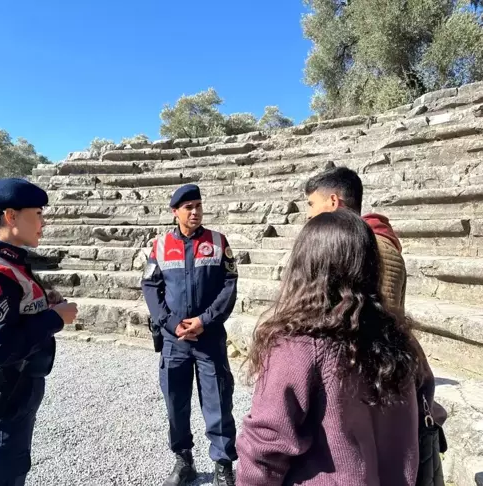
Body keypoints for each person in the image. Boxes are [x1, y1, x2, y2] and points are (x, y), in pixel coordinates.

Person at [236, 209, 439, 485]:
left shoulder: (298, 347)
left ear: (304, 267)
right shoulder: (401, 339)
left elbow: (265, 447)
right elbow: (429, 406)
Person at [0, 178, 78, 486]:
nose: (43, 223)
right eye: (37, 214)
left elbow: (13, 315)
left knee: (11, 472)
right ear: (11, 217)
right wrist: (55, 319)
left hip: (12, 394)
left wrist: (43, 304)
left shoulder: (9, 263)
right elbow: (1, 350)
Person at [141, 184, 239, 486]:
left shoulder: (218, 242)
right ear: (175, 212)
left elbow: (229, 285)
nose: (195, 211)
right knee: (176, 402)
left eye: (198, 205)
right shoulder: (158, 245)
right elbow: (150, 288)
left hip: (208, 338)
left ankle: (223, 465)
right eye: (188, 207)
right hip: (174, 341)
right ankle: (184, 461)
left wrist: (204, 321)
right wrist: (171, 324)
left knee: (219, 401)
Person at [304, 166, 406, 316]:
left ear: (333, 201)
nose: (309, 215)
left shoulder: (369, 247)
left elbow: (377, 321)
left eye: (311, 204)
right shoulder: (369, 243)